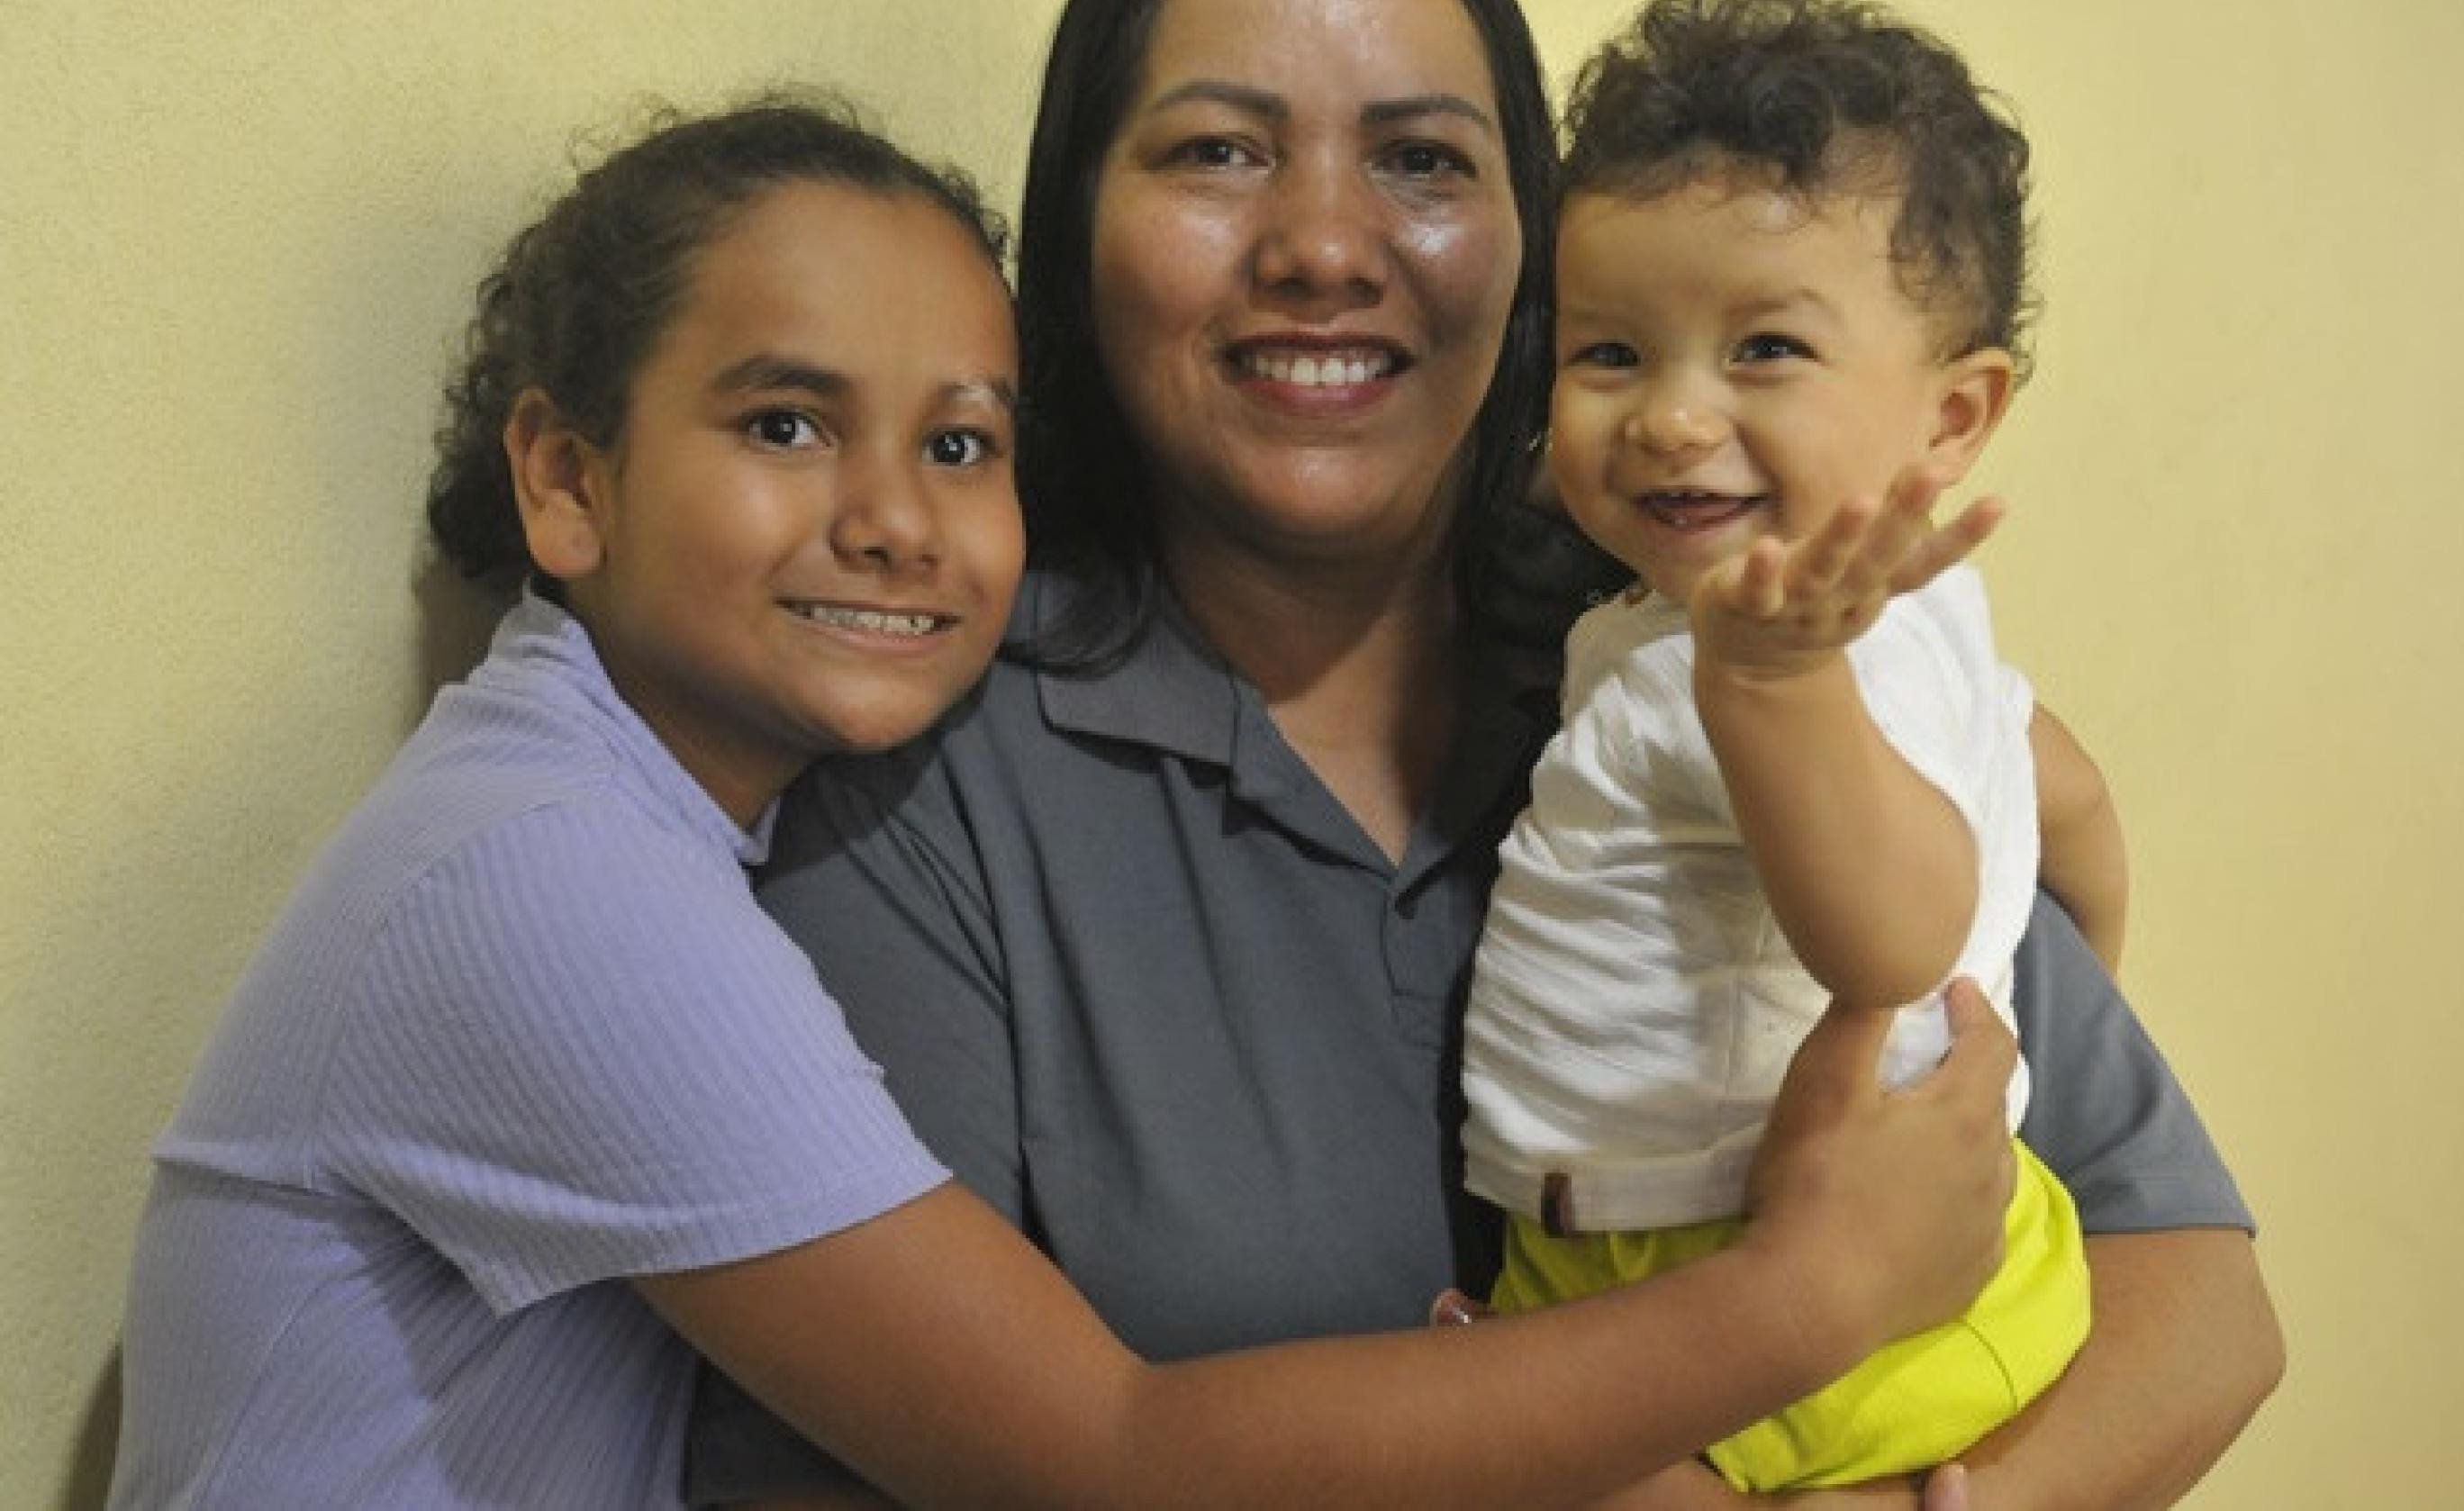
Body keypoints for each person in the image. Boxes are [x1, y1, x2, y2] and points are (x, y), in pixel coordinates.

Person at [106, 95, 2017, 1511]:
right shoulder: (545, 880)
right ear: (564, 480)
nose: (889, 513)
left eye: (960, 443)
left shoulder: (627, 815)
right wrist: (1807, 1300)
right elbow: (1109, 1460)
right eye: (784, 424)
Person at [689, 0, 2278, 1511]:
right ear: (1075, 232)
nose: (1322, 245)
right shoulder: (913, 764)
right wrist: (1795, 1303)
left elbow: (2202, 1294)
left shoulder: (1702, 636)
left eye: (1423, 162)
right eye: (1219, 152)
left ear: (1531, 242)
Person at [1460, 0, 2139, 1493]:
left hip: (1725, 1256)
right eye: (1611, 354)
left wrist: (1771, 688)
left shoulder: (1784, 659)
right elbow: (2069, 794)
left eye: (1764, 350)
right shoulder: (1908, 623)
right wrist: (2051, 986)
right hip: (1738, 1232)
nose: (1672, 421)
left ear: (1951, 421)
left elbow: (1900, 933)